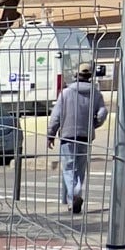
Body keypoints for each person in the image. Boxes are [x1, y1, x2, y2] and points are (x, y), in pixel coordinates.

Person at [48, 63, 106, 214]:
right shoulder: (96, 94)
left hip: (68, 136)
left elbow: (56, 116)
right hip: (85, 137)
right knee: (80, 169)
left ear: (76, 75)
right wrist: (93, 124)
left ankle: (74, 195)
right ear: (90, 76)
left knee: (68, 169)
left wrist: (51, 134)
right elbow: (102, 112)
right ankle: (75, 195)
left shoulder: (65, 94)